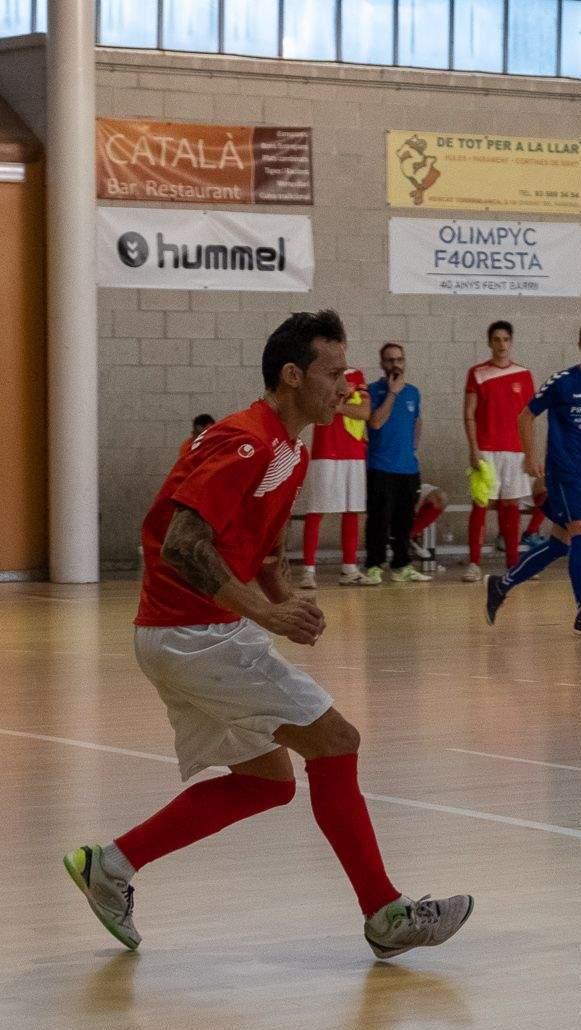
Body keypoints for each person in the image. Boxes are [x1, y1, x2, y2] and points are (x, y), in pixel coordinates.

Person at [62, 309, 473, 960]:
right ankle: (385, 913)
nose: (347, 387)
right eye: (334, 373)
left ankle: (109, 865)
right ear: (292, 375)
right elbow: (183, 546)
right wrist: (266, 614)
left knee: (268, 782)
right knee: (336, 742)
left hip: (188, 635)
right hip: (193, 635)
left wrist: (286, 597)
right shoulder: (246, 441)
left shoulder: (290, 447)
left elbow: (262, 551)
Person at [486, 319, 581, 638]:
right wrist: (530, 456)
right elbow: (525, 416)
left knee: (559, 544)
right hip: (562, 471)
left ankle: (501, 585)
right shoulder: (563, 382)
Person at [463, 320, 537, 584]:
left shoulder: (524, 374)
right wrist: (474, 449)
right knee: (481, 505)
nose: (501, 344)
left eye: (506, 339)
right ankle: (474, 563)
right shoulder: (478, 373)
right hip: (486, 450)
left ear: (511, 342)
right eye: (496, 339)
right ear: (489, 342)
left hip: (515, 452)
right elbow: (469, 414)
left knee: (511, 507)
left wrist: (531, 453)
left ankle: (513, 565)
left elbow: (529, 418)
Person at [297, 361, 371, 587]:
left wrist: (338, 406)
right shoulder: (318, 373)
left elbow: (365, 412)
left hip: (355, 451)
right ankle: (308, 569)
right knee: (316, 510)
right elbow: (318, 408)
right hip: (325, 451)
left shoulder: (356, 374)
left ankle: (349, 567)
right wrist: (339, 398)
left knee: (352, 509)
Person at [363, 341, 429, 584]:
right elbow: (376, 422)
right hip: (381, 467)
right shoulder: (372, 391)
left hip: (408, 468)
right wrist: (392, 393)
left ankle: (402, 565)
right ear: (382, 364)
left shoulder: (413, 392)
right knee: (379, 520)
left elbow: (417, 421)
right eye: (390, 360)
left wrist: (413, 449)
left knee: (404, 522)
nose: (395, 364)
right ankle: (374, 565)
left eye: (399, 359)